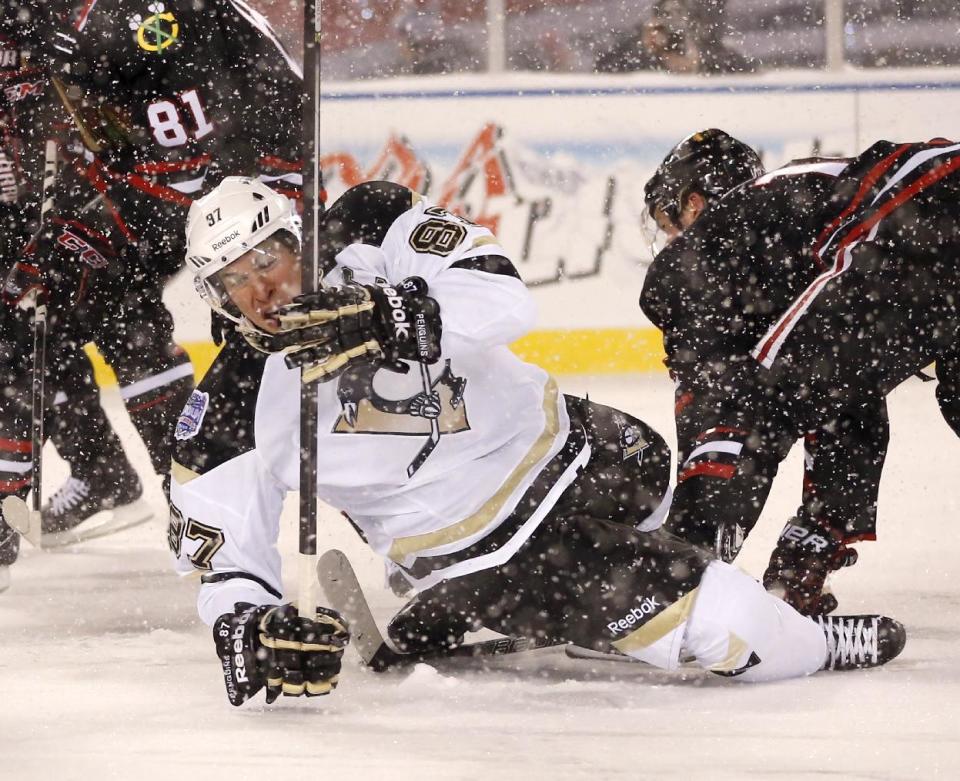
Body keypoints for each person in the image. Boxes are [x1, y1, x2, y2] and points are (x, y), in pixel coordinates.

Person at [169, 176, 904, 707]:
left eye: (267, 259)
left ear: (296, 236)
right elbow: (225, 562)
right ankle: (809, 639)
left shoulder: (371, 224)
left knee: (663, 479)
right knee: (730, 627)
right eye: (233, 281)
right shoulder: (232, 405)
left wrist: (388, 314)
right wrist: (247, 620)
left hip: (587, 447)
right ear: (214, 298)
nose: (262, 290)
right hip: (496, 553)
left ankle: (553, 608)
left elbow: (500, 294)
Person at [0, 0, 304, 585]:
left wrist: (76, 52)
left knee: (265, 344)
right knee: (43, 299)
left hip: (223, 184)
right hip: (141, 190)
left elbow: (155, 41)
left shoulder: (151, 22)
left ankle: (198, 505)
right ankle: (179, 503)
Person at [640, 130, 959, 615]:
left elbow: (728, 401)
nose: (671, 241)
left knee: (764, 397)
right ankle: (802, 558)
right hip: (935, 217)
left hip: (932, 200)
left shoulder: (713, 239)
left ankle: (670, 584)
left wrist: (690, 535)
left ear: (696, 202)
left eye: (670, 223)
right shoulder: (800, 232)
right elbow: (845, 401)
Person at [595, 0, 757, 75]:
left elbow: (749, 75)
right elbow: (601, 71)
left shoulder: (725, 61)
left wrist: (696, 63)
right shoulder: (630, 58)